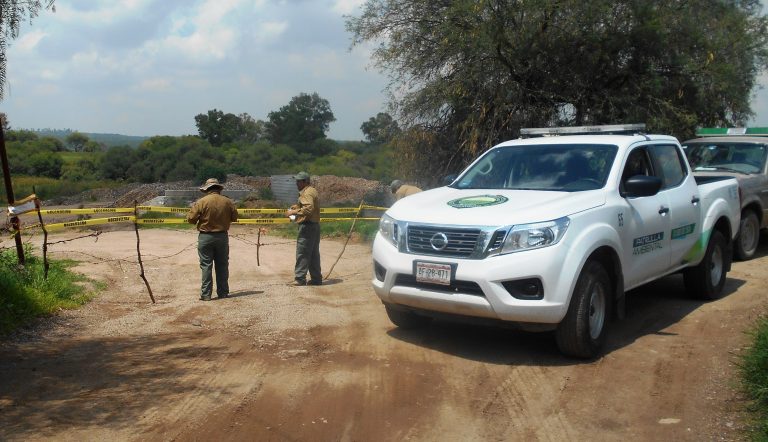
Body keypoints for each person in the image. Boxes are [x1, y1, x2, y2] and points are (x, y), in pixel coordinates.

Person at [186, 178, 239, 301]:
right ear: (218, 189)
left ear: (207, 189)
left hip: (206, 236)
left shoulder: (201, 202)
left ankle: (206, 294)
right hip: (222, 237)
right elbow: (235, 218)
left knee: (206, 266)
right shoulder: (228, 202)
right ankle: (223, 292)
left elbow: (191, 219)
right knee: (222, 265)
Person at [286, 171, 322, 286]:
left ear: (305, 182)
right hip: (314, 226)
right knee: (313, 254)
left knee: (303, 253)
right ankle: (316, 279)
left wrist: (293, 212)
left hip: (307, 226)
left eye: (298, 181)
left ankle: (300, 279)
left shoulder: (306, 193)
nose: (296, 183)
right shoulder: (312, 190)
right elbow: (309, 206)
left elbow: (309, 208)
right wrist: (298, 207)